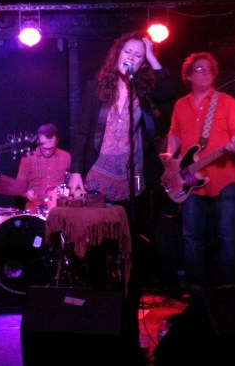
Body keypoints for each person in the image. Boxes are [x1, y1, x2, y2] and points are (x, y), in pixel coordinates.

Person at [66, 30, 177, 364]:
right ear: (117, 54)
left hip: (133, 178)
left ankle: (127, 322)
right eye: (128, 51)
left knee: (131, 250)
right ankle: (100, 317)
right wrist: (75, 172)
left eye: (138, 55)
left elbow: (170, 91)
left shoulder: (143, 91)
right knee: (98, 249)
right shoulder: (95, 87)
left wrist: (152, 55)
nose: (132, 57)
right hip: (98, 174)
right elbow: (82, 131)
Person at [161, 51, 235, 299]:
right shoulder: (181, 104)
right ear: (188, 76)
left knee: (225, 235)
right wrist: (170, 156)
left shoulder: (227, 102)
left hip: (223, 177)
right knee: (192, 235)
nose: (206, 73)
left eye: (209, 69)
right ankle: (195, 287)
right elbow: (174, 134)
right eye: (199, 69)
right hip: (189, 179)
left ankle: (227, 288)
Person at [16, 123, 71, 216]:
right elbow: (17, 187)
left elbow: (71, 183)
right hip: (35, 207)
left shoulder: (66, 157)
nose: (48, 152)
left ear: (57, 141)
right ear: (38, 140)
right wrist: (26, 193)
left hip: (59, 207)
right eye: (44, 148)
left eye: (51, 148)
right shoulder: (27, 158)